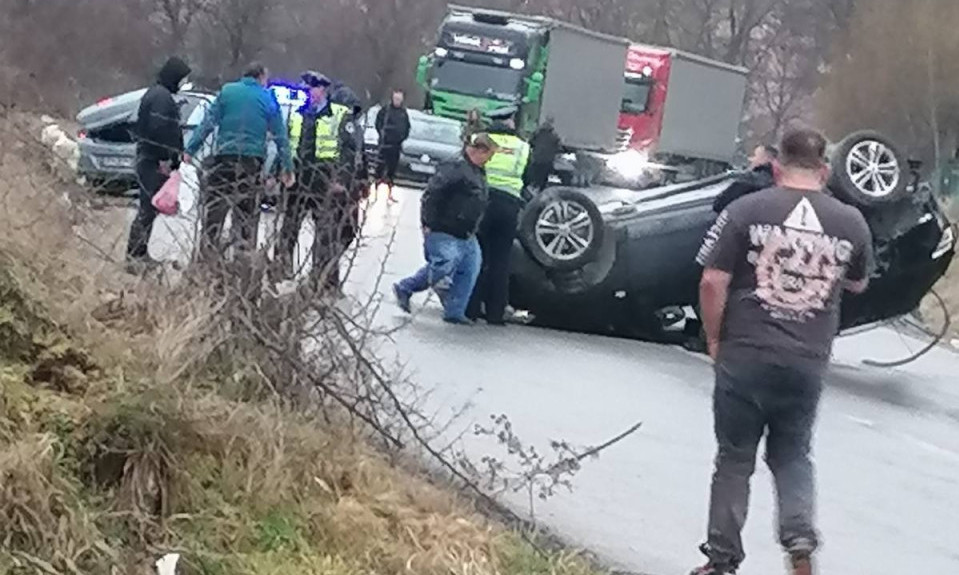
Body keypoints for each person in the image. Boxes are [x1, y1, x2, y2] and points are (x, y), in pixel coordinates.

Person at [691, 128, 874, 575]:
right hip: (806, 361)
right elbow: (859, 281)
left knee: (735, 458)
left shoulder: (744, 210)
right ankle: (799, 539)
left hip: (745, 353)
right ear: (825, 170)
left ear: (776, 167)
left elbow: (712, 280)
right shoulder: (851, 221)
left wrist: (714, 339)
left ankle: (722, 561)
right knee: (793, 453)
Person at [184, 61, 294, 262]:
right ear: (261, 77)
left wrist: (190, 150)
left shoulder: (227, 92)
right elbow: (280, 136)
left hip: (223, 160)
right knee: (246, 218)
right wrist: (287, 167)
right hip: (251, 164)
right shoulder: (267, 97)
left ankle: (204, 262)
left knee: (214, 216)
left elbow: (207, 123)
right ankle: (241, 266)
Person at [392, 133, 499, 325]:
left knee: (469, 269)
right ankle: (406, 287)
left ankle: (455, 311)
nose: (490, 159)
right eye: (488, 154)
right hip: (445, 228)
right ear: (478, 150)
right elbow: (432, 195)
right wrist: (428, 223)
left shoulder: (477, 170)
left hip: (467, 232)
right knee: (443, 265)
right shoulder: (455, 167)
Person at [276, 71, 350, 287]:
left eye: (312, 89)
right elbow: (286, 144)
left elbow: (349, 151)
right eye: (306, 89)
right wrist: (279, 171)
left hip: (323, 180)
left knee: (326, 233)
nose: (309, 93)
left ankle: (325, 280)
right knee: (288, 228)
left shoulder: (338, 114)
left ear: (322, 90)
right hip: (297, 178)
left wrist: (342, 180)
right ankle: (281, 270)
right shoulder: (298, 114)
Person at [125, 56, 192, 271]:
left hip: (149, 158)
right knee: (147, 208)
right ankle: (135, 256)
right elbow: (159, 130)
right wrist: (165, 158)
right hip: (154, 161)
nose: (183, 83)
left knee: (148, 208)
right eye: (182, 79)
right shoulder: (162, 99)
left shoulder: (157, 94)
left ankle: (139, 253)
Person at [467, 108, 529, 325]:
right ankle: (495, 313)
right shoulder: (522, 147)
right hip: (509, 205)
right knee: (501, 260)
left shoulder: (479, 140)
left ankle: (471, 309)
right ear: (510, 122)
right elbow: (529, 176)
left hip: (482, 202)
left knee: (476, 257)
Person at [712, 144, 778, 213]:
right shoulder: (778, 182)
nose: (750, 159)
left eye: (754, 156)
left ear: (766, 159)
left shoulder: (750, 179)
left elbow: (720, 204)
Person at [374, 89, 411, 202]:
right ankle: (374, 192)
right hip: (384, 144)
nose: (397, 101)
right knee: (379, 169)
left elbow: (407, 128)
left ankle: (389, 194)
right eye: (395, 99)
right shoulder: (385, 110)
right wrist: (381, 134)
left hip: (396, 146)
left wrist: (401, 138)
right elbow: (378, 123)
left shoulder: (403, 114)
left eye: (399, 99)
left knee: (392, 170)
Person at [524, 116, 560, 191]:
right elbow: (558, 148)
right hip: (547, 161)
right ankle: (540, 191)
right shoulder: (554, 136)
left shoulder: (537, 133)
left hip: (536, 159)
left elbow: (530, 143)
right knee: (543, 180)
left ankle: (532, 189)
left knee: (533, 178)